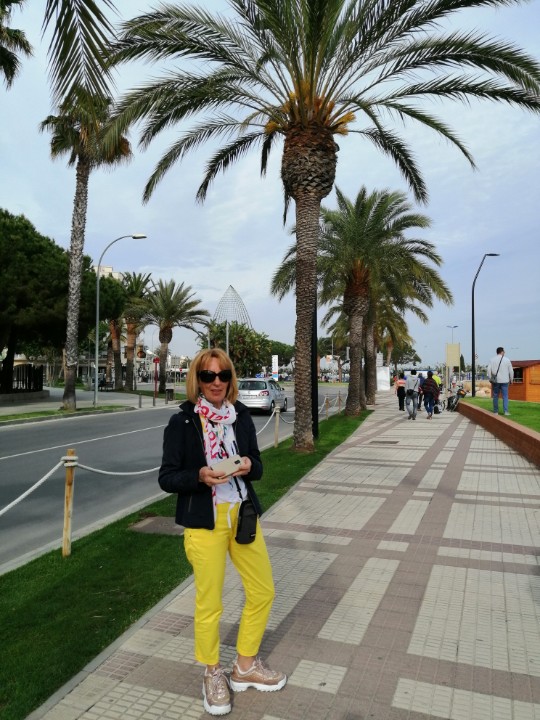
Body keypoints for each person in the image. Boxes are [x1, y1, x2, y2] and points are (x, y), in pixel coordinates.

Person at [158, 348, 286, 716]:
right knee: (210, 601)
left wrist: (247, 464)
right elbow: (167, 477)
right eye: (208, 376)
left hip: (242, 515)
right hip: (206, 520)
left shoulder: (240, 416)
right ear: (197, 380)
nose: (216, 382)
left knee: (263, 590)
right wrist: (199, 476)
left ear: (231, 379)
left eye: (223, 375)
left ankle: (244, 666)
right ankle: (212, 672)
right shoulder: (183, 422)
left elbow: (257, 464)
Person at [488, 346, 514, 415]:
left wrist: (490, 378)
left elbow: (488, 370)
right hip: (505, 380)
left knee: (495, 396)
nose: (504, 353)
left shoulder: (492, 360)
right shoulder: (507, 360)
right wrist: (511, 379)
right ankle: (506, 411)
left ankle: (496, 411)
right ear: (502, 352)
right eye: (504, 351)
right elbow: (511, 371)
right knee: (505, 396)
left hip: (496, 381)